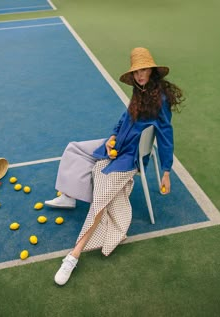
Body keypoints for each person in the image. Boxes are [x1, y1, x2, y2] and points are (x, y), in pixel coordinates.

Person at [45, 47, 184, 286]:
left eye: (144, 70)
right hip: (115, 146)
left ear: (151, 70)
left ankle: (73, 256)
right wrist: (111, 137)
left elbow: (165, 134)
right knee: (74, 148)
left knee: (101, 196)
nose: (140, 75)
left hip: (129, 158)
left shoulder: (159, 98)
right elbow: (124, 118)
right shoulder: (139, 91)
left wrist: (167, 170)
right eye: (137, 71)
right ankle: (68, 196)